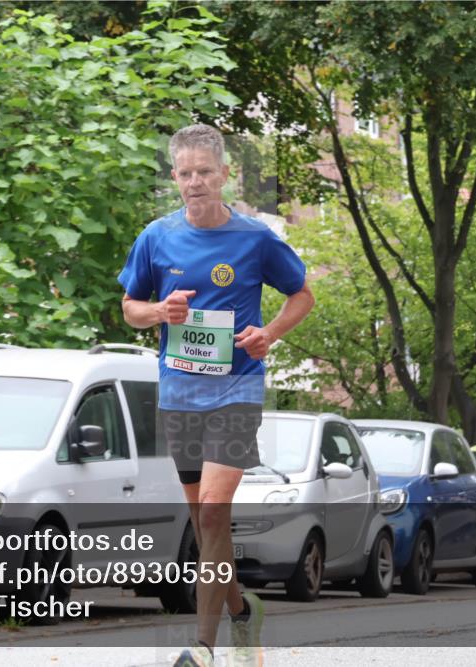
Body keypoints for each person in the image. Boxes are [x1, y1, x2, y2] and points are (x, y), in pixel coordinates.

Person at [119, 124, 314, 667]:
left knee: (211, 512)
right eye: (185, 173)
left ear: (225, 174)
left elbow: (302, 294)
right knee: (206, 525)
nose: (195, 182)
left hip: (236, 388)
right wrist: (159, 312)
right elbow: (130, 307)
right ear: (174, 178)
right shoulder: (156, 237)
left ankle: (203, 646)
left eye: (205, 171)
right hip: (179, 392)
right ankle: (243, 611)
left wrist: (269, 334)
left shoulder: (253, 238)